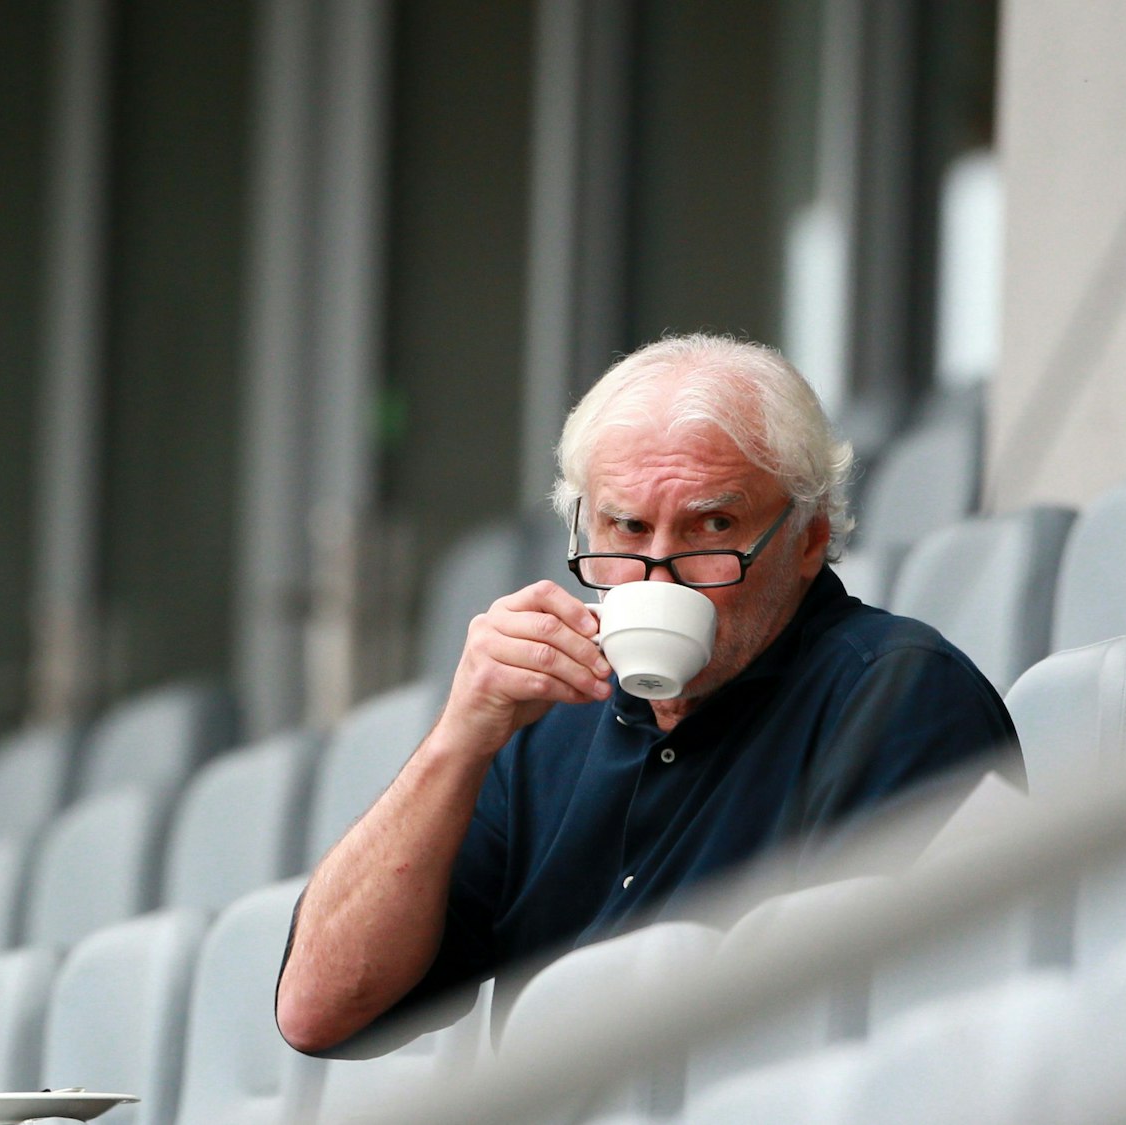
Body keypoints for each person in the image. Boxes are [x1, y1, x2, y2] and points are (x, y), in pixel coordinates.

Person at [276, 334, 1018, 1055]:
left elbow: (871, 1037)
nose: (656, 574)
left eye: (712, 526)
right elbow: (320, 1009)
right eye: (626, 528)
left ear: (809, 538)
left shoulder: (900, 696)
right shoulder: (539, 725)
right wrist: (457, 741)